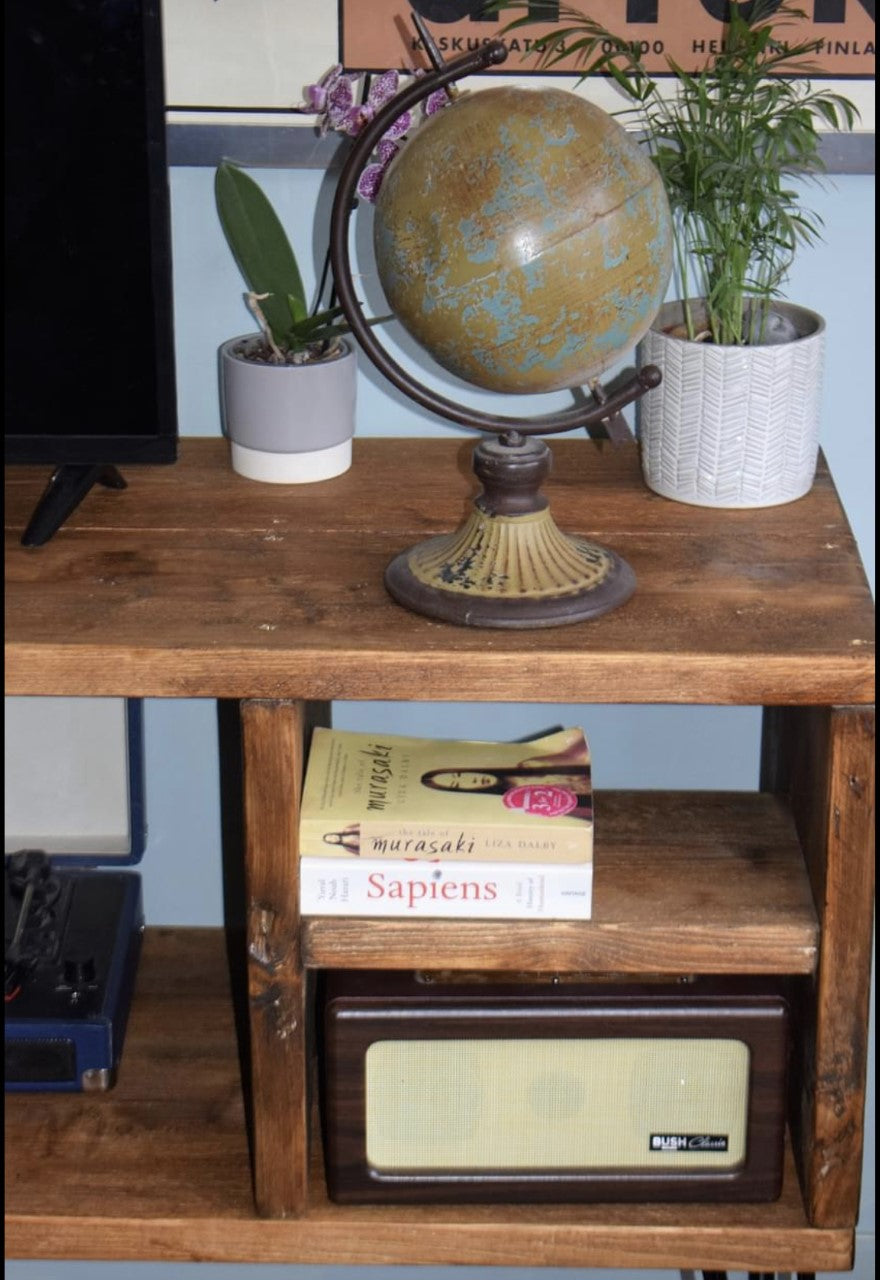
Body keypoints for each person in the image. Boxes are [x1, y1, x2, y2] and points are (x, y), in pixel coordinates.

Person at [419, 727, 592, 820]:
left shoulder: (530, 765)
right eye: (456, 785)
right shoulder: (514, 808)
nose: (469, 779)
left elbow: (577, 742)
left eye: (459, 774)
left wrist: (555, 759)